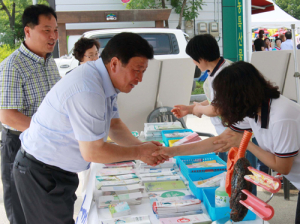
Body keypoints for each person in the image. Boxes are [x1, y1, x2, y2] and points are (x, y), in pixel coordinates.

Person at [13, 32, 166, 224]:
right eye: (137, 70)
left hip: (57, 170)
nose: (140, 79)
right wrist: (139, 152)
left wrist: (142, 147)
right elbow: (93, 152)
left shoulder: (104, 81)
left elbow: (114, 125)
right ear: (115, 64)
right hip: (41, 172)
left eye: (143, 71)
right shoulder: (88, 87)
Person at [154, 61, 300, 224]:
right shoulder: (255, 108)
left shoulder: (281, 117)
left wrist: (247, 144)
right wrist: (170, 152)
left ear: (241, 96)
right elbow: (219, 142)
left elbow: (282, 166)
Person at [0, 5, 61, 224]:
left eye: (55, 30)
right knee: (21, 212)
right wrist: (48, 132)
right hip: (19, 145)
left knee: (45, 209)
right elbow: (8, 116)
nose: (53, 36)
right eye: (46, 30)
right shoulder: (12, 66)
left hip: (46, 146)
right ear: (28, 31)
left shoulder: (49, 62)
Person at [171, 34, 257, 179]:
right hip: (229, 134)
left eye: (193, 58)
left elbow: (216, 109)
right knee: (232, 180)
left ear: (201, 58)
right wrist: (191, 109)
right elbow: (216, 101)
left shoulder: (222, 74)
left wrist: (197, 109)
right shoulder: (221, 69)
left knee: (241, 182)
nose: (194, 63)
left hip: (239, 136)